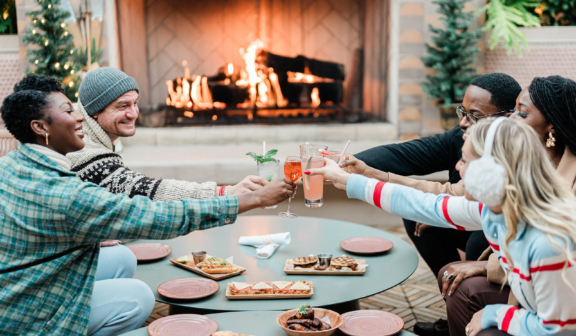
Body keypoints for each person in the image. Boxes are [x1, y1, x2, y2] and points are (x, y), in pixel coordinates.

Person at [0, 76, 294, 335]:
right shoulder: (65, 193)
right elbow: (151, 216)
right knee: (139, 296)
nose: (80, 118)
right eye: (69, 111)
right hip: (28, 314)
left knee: (122, 258)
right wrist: (244, 200)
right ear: (40, 127)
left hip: (16, 283)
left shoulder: (12, 163)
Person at [309, 117, 576, 336]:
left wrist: (496, 314)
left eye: (465, 161)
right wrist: (348, 180)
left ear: (494, 171)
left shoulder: (547, 242)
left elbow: (558, 330)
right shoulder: (495, 209)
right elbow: (425, 206)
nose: (458, 168)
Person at [345, 73, 521, 336]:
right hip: (478, 220)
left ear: (506, 118)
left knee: (476, 240)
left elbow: (452, 196)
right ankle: (458, 310)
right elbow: (409, 158)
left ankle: (475, 307)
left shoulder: (521, 160)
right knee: (419, 217)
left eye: (474, 115)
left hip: (514, 266)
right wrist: (347, 165)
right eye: (462, 111)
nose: (462, 122)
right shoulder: (461, 135)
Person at [11, 68, 267, 201]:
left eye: (135, 103)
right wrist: (225, 193)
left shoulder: (91, 142)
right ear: (93, 113)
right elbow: (149, 191)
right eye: (122, 106)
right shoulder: (85, 155)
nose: (134, 114)